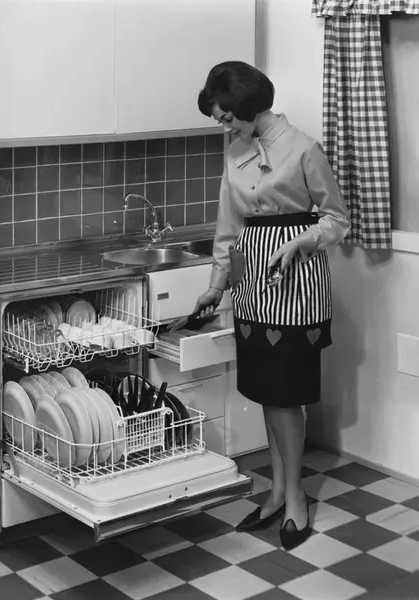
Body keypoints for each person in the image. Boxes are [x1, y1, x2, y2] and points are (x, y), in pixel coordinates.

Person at [194, 61, 350, 551]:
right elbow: (228, 226)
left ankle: (297, 497)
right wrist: (216, 285)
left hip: (296, 284)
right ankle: (279, 492)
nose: (225, 127)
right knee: (266, 390)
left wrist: (300, 241)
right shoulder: (235, 152)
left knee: (287, 393)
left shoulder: (304, 148)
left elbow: (337, 219)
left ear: (249, 106)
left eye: (227, 118)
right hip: (251, 285)